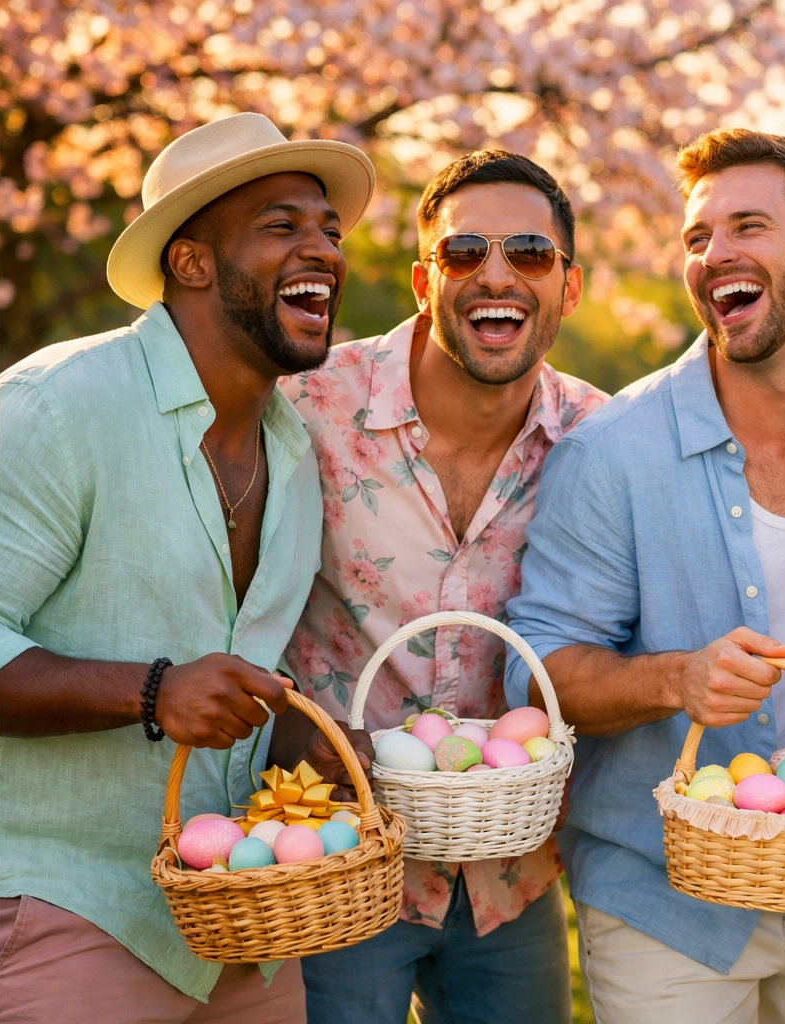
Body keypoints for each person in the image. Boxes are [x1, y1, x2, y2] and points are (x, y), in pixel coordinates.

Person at [504, 128, 785, 1023]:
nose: (715, 256)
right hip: (665, 897)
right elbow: (537, 670)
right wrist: (678, 676)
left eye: (748, 226)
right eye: (698, 238)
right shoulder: (612, 455)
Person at [0, 112, 373, 1022]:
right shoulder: (57, 409)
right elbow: (173, 686)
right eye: (281, 226)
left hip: (244, 928)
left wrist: (303, 744)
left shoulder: (294, 450)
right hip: (68, 908)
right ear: (192, 262)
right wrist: (153, 690)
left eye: (328, 228)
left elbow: (237, 675)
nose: (322, 248)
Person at [277, 150, 603, 1024]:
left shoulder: (602, 440)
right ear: (426, 279)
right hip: (334, 863)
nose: (495, 275)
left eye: (530, 253)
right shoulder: (304, 405)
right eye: (464, 254)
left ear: (569, 288)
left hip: (513, 882)